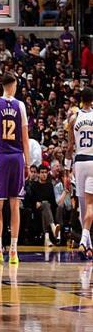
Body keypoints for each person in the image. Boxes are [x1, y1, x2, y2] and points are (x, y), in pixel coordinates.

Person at [0, 73, 30, 265]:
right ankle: (13, 251)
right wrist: (27, 163)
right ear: (13, 85)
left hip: (2, 157)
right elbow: (25, 137)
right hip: (17, 157)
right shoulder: (21, 106)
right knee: (14, 205)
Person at [65, 87, 93, 259]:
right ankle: (85, 241)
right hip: (92, 160)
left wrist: (66, 169)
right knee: (90, 205)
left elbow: (69, 147)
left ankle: (88, 245)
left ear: (81, 100)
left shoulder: (74, 118)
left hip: (79, 162)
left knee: (82, 207)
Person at [31, 165, 60, 246]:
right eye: (42, 172)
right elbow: (31, 199)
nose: (44, 174)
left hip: (48, 210)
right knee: (45, 205)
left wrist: (46, 204)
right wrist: (35, 203)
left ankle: (47, 239)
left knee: (46, 206)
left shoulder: (49, 185)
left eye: (45, 172)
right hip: (37, 210)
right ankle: (53, 227)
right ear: (38, 174)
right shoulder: (34, 185)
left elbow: (53, 202)